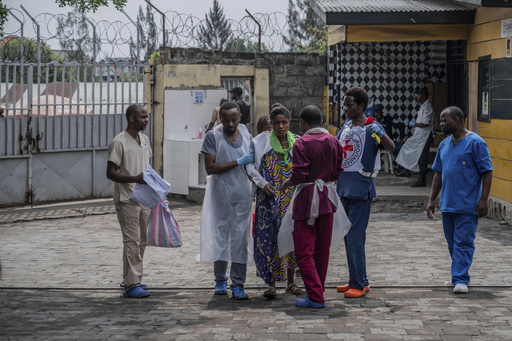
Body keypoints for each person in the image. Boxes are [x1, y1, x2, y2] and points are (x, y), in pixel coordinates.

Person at [280, 105, 345, 308]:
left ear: (303, 123)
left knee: (304, 250)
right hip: (327, 197)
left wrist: (289, 182)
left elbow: (299, 174)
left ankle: (315, 296)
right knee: (321, 249)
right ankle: (318, 290)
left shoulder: (301, 142)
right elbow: (337, 171)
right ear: (322, 122)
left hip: (307, 198)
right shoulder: (334, 141)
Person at [336, 87, 395, 298]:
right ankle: (358, 279)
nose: (345, 109)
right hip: (343, 186)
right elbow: (336, 148)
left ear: (362, 106)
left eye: (349, 105)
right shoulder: (345, 126)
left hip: (361, 187)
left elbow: (391, 147)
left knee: (355, 235)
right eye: (344, 104)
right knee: (347, 234)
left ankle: (358, 284)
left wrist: (379, 133)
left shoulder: (372, 127)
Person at [427, 106, 492, 294]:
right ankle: (459, 276)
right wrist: (432, 200)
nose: (440, 124)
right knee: (452, 244)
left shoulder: (476, 143)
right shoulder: (444, 144)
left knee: (463, 242)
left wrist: (484, 200)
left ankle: (461, 279)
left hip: (467, 205)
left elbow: (487, 172)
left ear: (456, 120)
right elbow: (438, 173)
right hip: (448, 205)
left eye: (443, 120)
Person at [199, 101, 255, 300]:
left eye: (234, 119)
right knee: (220, 236)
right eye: (225, 120)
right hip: (220, 196)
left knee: (240, 240)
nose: (230, 123)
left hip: (241, 196)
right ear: (219, 119)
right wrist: (238, 162)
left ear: (240, 117)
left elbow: (254, 167)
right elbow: (210, 168)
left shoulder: (248, 136)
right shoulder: (213, 137)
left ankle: (238, 284)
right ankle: (220, 280)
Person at [245, 104, 301, 299]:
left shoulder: (298, 142)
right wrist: (262, 184)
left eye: (284, 122)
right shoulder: (259, 141)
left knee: (291, 238)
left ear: (289, 123)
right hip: (267, 198)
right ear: (271, 123)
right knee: (268, 239)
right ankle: (271, 285)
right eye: (276, 123)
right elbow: (250, 167)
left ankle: (291, 281)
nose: (280, 126)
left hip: (291, 198)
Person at [106, 104, 152, 298]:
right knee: (131, 241)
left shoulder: (144, 140)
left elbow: (147, 170)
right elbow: (110, 173)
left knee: (141, 241)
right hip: (127, 199)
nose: (146, 120)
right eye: (142, 117)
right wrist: (134, 179)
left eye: (147, 116)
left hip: (144, 199)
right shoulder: (119, 142)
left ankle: (133, 278)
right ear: (132, 118)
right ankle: (131, 284)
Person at [395, 87, 435, 187]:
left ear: (424, 96)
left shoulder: (427, 107)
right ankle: (406, 170)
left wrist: (414, 124)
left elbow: (426, 124)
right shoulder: (423, 106)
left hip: (425, 136)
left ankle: (422, 179)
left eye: (419, 95)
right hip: (419, 136)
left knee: (422, 157)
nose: (417, 96)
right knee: (407, 148)